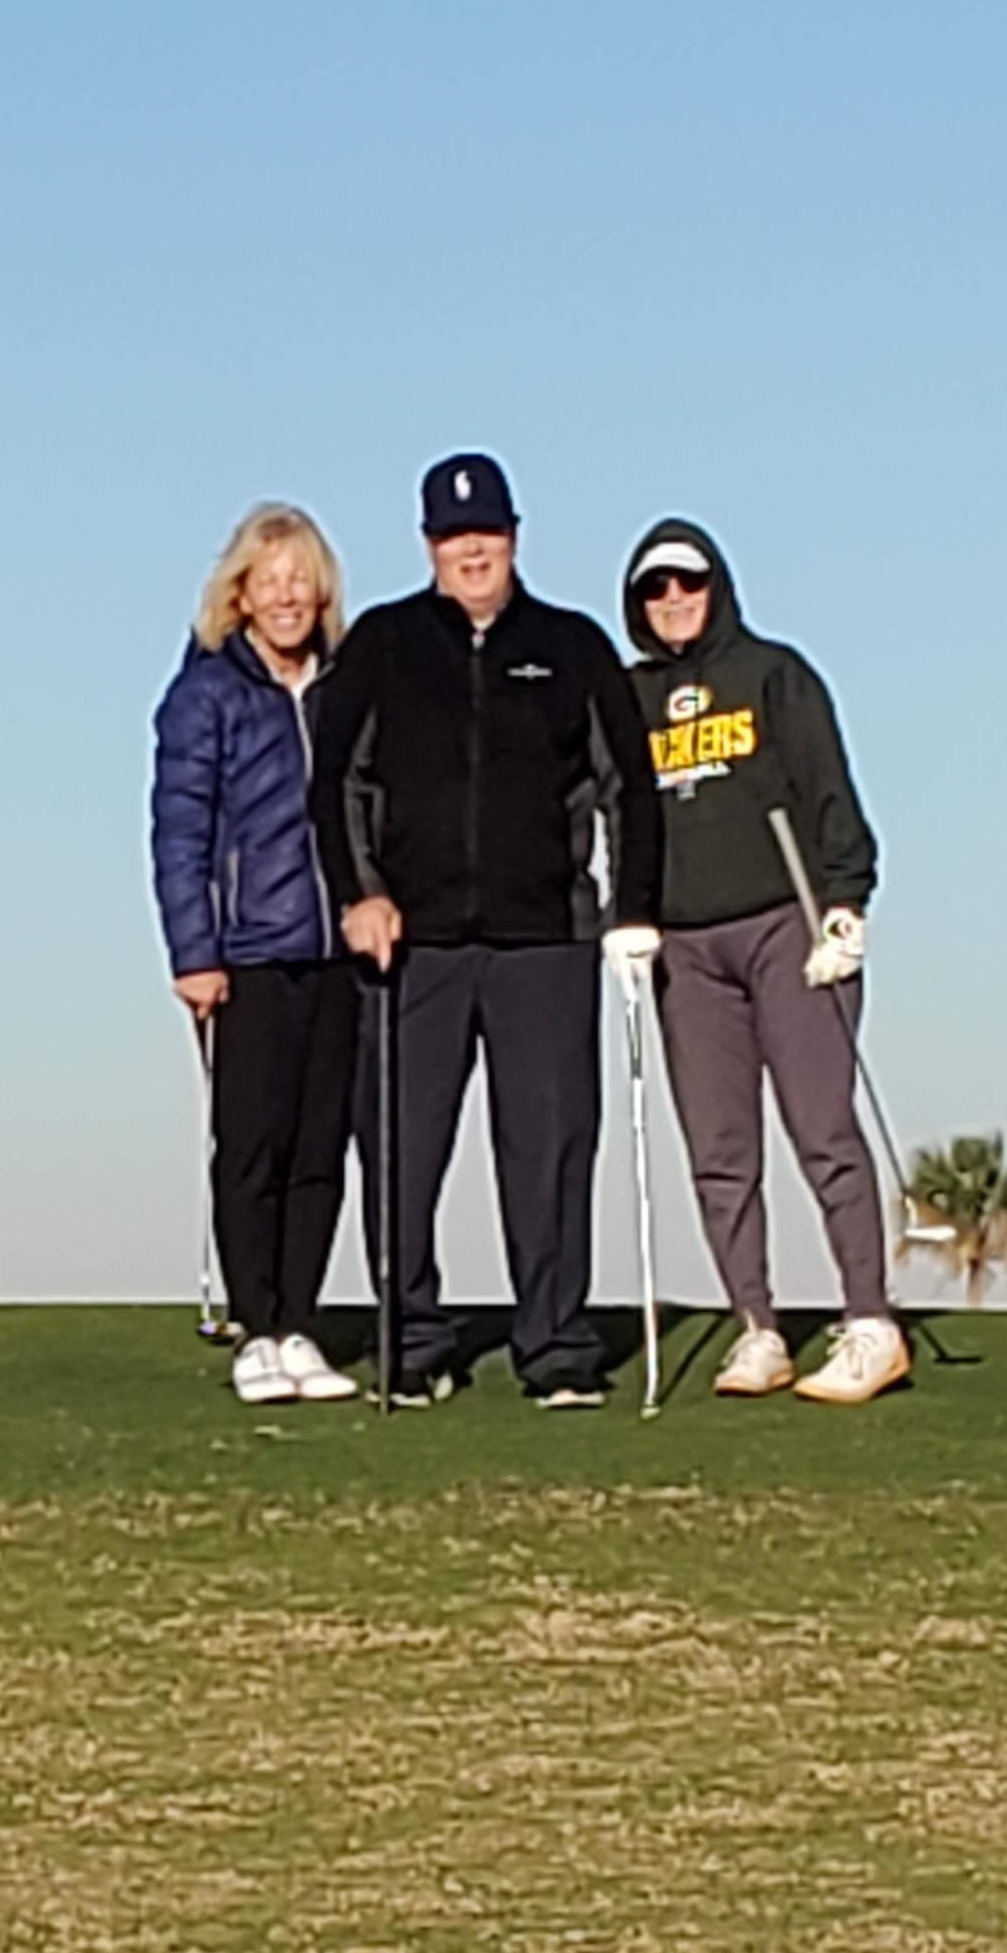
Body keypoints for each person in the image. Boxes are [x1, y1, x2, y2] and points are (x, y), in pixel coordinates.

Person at [308, 453, 663, 1406]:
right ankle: (414, 1342)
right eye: (454, 536)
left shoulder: (571, 646)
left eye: (489, 534)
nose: (473, 552)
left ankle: (556, 1347)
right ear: (429, 543)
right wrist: (360, 892)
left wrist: (631, 909)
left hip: (545, 942)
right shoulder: (383, 644)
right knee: (401, 1151)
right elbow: (336, 781)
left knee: (550, 1152)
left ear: (515, 536)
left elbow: (628, 787)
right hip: (411, 943)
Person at [620, 516, 908, 1404]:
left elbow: (829, 789)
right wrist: (621, 916)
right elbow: (608, 811)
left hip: (789, 924)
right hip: (686, 948)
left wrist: (847, 901)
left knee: (822, 1128)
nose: (674, 600)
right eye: (655, 589)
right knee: (719, 1149)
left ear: (717, 586)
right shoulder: (628, 697)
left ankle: (871, 1324)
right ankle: (758, 1328)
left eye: (688, 583)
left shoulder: (774, 674)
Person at [148, 504, 362, 1404]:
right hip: (246, 954)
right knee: (252, 1147)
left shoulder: (343, 684)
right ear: (240, 594)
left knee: (320, 1148)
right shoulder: (207, 694)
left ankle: (301, 1325)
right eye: (268, 582)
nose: (286, 597)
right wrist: (194, 953)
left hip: (336, 953)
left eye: (299, 580)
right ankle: (256, 1328)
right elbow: (180, 836)